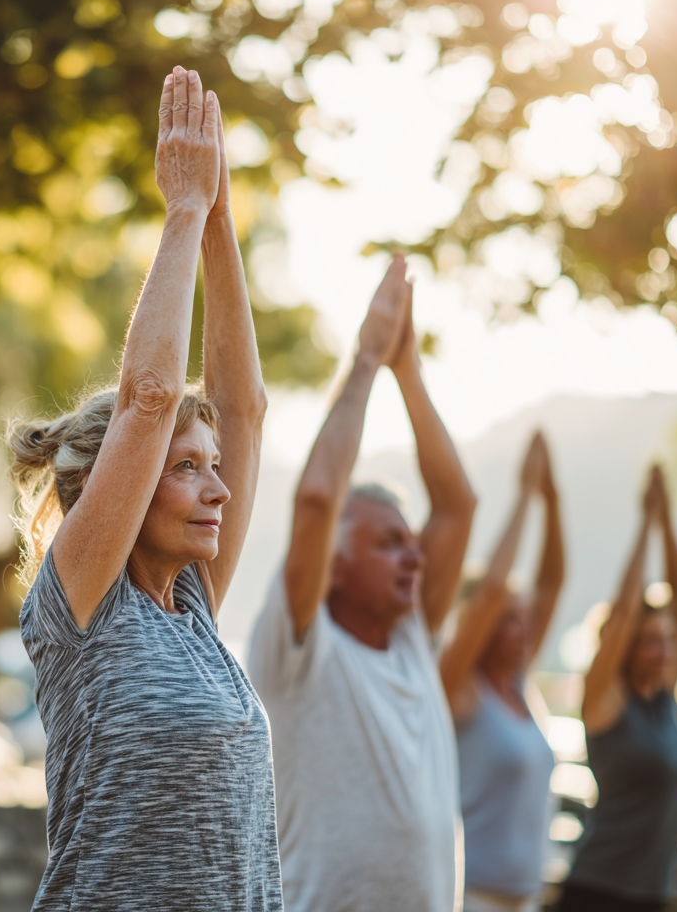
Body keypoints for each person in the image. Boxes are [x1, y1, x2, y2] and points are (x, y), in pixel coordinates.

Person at [6, 67, 279, 911]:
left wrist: (223, 221)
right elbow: (150, 399)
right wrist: (183, 211)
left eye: (214, 469)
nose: (219, 491)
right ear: (112, 491)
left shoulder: (192, 608)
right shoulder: (82, 605)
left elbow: (246, 410)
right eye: (185, 469)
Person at [247, 254, 477, 912]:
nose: (414, 558)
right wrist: (367, 361)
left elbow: (458, 507)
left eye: (412, 543)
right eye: (387, 542)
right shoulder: (298, 651)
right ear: (335, 565)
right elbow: (318, 499)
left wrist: (410, 371)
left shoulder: (411, 639)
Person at [558, 466, 677, 912]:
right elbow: (622, 615)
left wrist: (667, 520)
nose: (664, 651)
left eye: (668, 640)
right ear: (626, 648)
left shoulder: (665, 700)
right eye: (650, 641)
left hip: (653, 894)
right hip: (598, 893)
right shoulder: (606, 699)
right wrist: (644, 526)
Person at [441, 432, 565, 912]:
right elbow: (493, 587)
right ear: (483, 625)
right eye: (510, 618)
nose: (525, 628)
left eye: (525, 617)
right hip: (471, 899)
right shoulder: (459, 689)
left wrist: (552, 502)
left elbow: (552, 583)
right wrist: (524, 497)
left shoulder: (518, 684)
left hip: (526, 900)